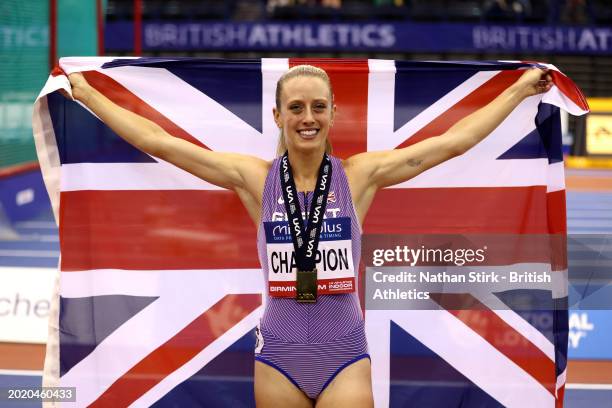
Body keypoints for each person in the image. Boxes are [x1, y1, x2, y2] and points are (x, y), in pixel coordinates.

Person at [66, 63, 552, 407]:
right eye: (295, 107)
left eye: (318, 107)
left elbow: (452, 143)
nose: (307, 117)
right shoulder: (254, 179)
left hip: (344, 352)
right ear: (278, 116)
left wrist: (519, 91)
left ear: (332, 114)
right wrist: (87, 93)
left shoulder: (359, 177)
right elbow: (159, 144)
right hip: (278, 353)